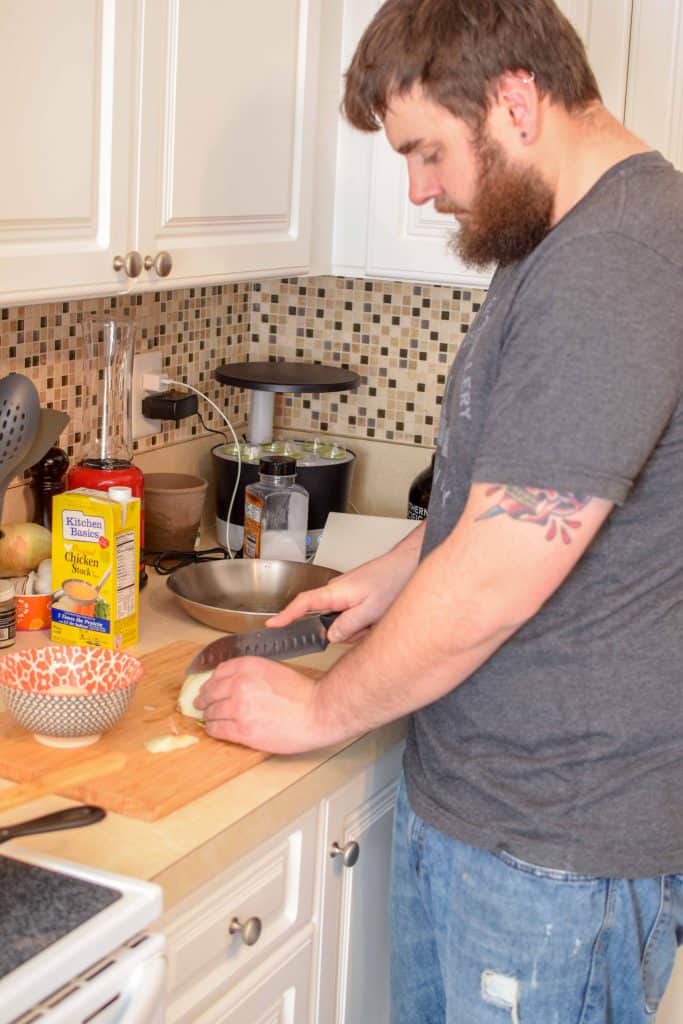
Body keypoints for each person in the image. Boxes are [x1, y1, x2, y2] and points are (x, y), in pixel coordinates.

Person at [196, 1, 683, 1020]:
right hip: (489, 817)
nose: (418, 190)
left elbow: (503, 572)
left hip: (551, 851)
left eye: (425, 152)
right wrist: (382, 579)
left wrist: (323, 708)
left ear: (513, 100)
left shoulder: (612, 264)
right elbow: (505, 498)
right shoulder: (557, 243)